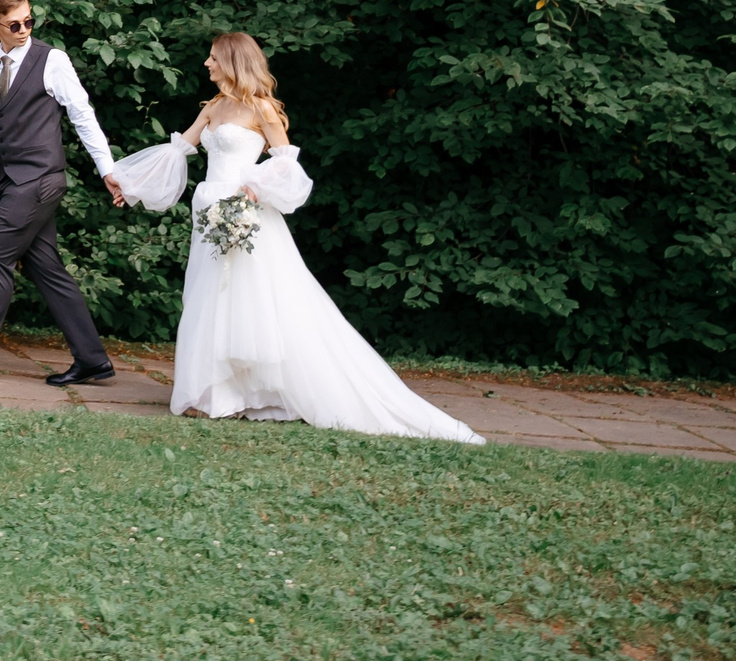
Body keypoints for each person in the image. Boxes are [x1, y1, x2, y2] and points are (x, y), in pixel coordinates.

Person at [103, 32, 482, 442]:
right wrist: (130, 185)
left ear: (232, 61)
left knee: (253, 300)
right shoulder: (213, 106)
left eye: (213, 58)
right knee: (209, 296)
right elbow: (177, 151)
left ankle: (261, 391)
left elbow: (286, 165)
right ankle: (219, 394)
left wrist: (254, 188)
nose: (207, 64)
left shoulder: (261, 108)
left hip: (244, 213)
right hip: (209, 212)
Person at [0, 0, 122, 386]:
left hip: (38, 179)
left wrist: (107, 169)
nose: (24, 30)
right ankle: (92, 360)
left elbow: (82, 114)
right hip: (14, 181)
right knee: (46, 269)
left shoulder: (52, 60)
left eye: (29, 21)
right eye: (14, 24)